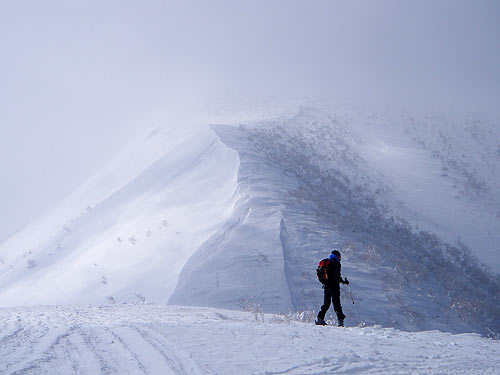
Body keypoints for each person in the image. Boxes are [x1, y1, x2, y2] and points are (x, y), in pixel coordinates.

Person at [316, 250, 349, 326]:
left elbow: (332, 276)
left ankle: (320, 319)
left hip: (327, 286)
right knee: (337, 304)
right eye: (339, 256)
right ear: (337, 256)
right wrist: (343, 281)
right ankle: (340, 322)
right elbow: (336, 277)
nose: (340, 258)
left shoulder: (329, 262)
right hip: (334, 287)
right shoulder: (336, 264)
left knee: (326, 304)